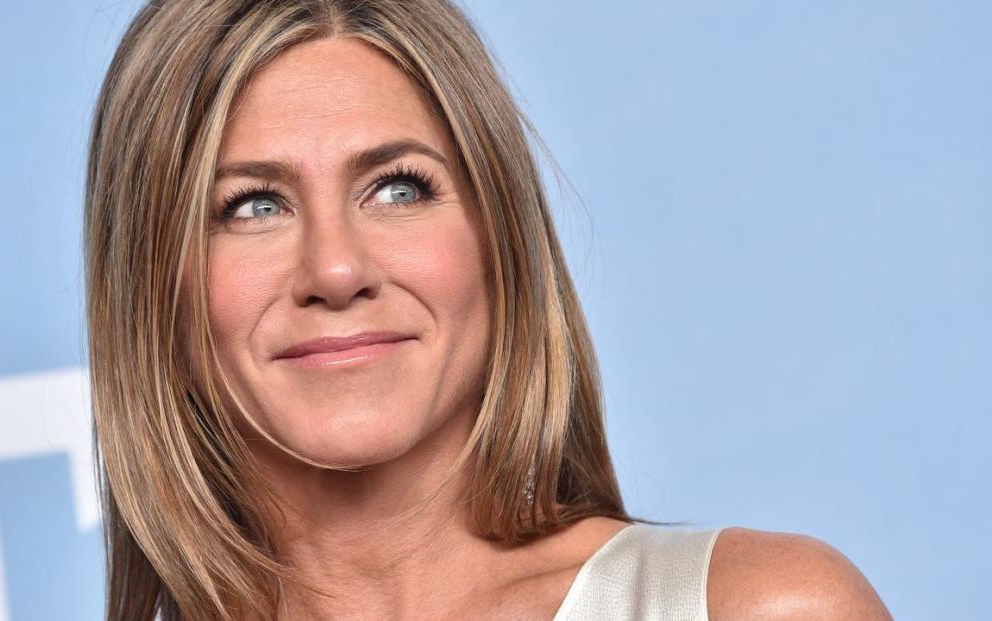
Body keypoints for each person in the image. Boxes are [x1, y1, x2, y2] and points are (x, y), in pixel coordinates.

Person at [82, 1, 892, 619]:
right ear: (153, 283)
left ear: (500, 238)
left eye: (398, 188)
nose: (335, 267)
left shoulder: (759, 608)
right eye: (253, 206)